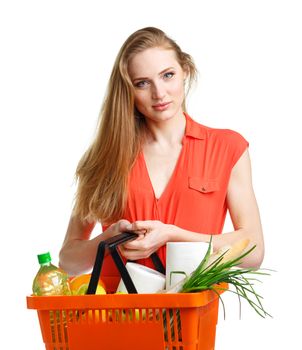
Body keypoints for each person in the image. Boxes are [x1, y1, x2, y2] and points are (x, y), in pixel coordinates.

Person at [59, 27, 264, 290]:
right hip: (115, 319)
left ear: (185, 71)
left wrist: (172, 235)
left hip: (190, 317)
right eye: (142, 83)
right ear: (127, 91)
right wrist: (108, 239)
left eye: (168, 75)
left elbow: (253, 249)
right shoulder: (104, 158)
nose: (159, 93)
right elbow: (68, 260)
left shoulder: (227, 148)